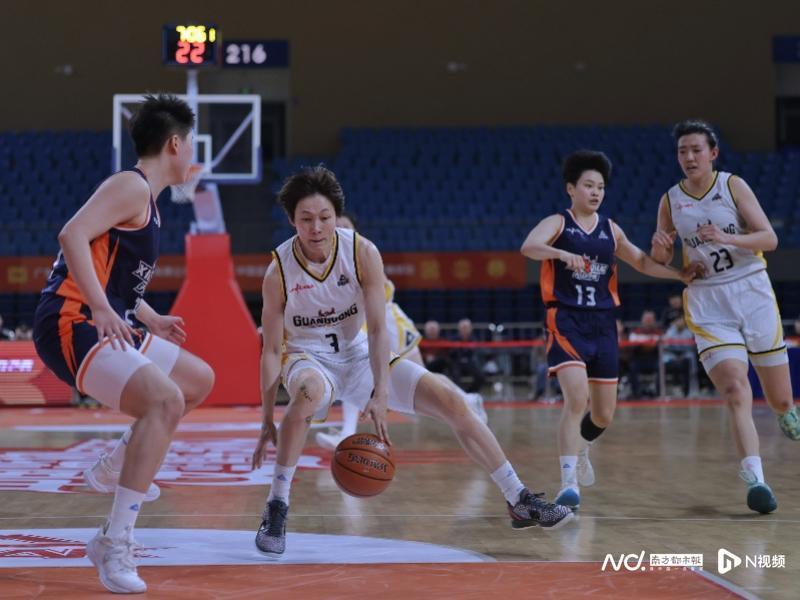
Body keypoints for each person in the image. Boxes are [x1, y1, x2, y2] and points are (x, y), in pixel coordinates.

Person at [251, 166, 572, 556]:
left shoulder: (362, 252)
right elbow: (271, 350)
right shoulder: (278, 271)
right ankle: (277, 505)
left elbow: (377, 329)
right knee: (309, 392)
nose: (316, 227)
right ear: (292, 220)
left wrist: (381, 394)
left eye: (324, 217)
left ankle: (518, 497)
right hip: (307, 355)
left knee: (453, 401)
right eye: (306, 219)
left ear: (336, 215)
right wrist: (266, 417)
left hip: (358, 353)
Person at [32, 94, 215, 593]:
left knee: (197, 380)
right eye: (191, 143)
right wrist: (99, 306)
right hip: (70, 319)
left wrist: (148, 316)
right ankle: (114, 542)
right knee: (165, 401)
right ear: (174, 143)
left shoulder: (147, 202)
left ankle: (117, 464)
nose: (192, 152)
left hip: (104, 317)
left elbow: (116, 279)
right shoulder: (130, 186)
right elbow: (72, 235)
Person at [520, 150, 701, 510]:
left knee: (603, 414)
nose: (595, 192)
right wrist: (560, 254)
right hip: (566, 320)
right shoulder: (558, 222)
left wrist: (679, 274)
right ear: (571, 188)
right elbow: (529, 247)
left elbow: (642, 261)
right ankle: (568, 484)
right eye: (588, 185)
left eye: (600, 187)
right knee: (576, 399)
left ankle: (583, 447)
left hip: (603, 324)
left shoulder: (610, 229)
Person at [650, 119, 800, 514]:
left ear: (712, 153)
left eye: (696, 150)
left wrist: (727, 237)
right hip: (708, 300)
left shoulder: (733, 186)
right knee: (734, 388)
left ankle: (786, 410)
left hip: (751, 290)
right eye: (682, 151)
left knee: (780, 398)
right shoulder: (670, 200)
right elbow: (661, 257)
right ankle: (756, 479)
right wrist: (662, 250)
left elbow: (769, 238)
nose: (689, 157)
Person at [315, 215, 487, 450]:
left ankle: (468, 400)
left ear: (355, 230)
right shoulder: (328, 261)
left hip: (387, 319)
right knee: (351, 371)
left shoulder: (362, 251)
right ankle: (346, 433)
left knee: (424, 377)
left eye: (346, 225)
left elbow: (379, 290)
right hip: (362, 321)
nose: (341, 229)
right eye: (337, 226)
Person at [627, 310, 664, 398]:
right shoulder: (635, 332)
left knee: (661, 367)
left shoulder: (659, 332)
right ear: (642, 320)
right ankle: (636, 394)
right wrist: (647, 344)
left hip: (654, 360)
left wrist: (647, 344)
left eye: (650, 319)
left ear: (654, 321)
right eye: (646, 319)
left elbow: (661, 344)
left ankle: (659, 394)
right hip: (639, 360)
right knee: (632, 367)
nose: (648, 322)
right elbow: (631, 345)